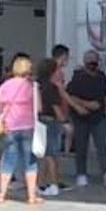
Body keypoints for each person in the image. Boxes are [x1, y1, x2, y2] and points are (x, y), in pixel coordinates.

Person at [0, 54, 42, 206]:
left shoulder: (6, 85)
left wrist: (3, 114)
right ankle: (31, 196)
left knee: (8, 159)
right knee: (30, 161)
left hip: (10, 127)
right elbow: (39, 107)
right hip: (27, 126)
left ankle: (1, 195)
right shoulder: (31, 86)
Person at [66, 50, 106, 189]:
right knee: (81, 146)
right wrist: (87, 104)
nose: (93, 64)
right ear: (85, 62)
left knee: (101, 146)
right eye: (90, 62)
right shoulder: (78, 77)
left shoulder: (101, 77)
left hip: (99, 117)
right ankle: (81, 174)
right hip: (81, 117)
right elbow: (70, 96)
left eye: (95, 61)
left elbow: (105, 95)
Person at [35, 58, 70, 196]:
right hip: (51, 122)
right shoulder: (51, 88)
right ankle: (54, 184)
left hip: (40, 121)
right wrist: (65, 121)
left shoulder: (37, 85)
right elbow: (57, 108)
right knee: (51, 155)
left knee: (44, 155)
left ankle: (41, 183)